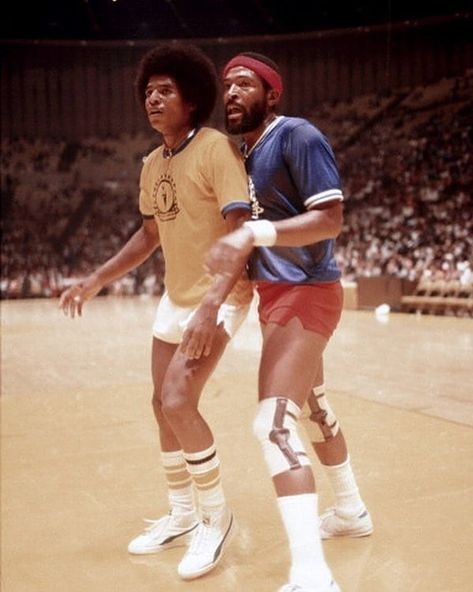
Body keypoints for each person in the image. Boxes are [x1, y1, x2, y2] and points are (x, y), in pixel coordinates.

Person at [59, 42, 254, 581]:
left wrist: (211, 307)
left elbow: (241, 235)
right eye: (148, 92)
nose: (152, 99)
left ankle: (217, 518)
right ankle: (184, 514)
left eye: (165, 90)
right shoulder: (152, 163)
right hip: (177, 296)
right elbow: (149, 235)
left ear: (191, 99)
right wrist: (96, 278)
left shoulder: (215, 149)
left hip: (221, 296)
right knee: (158, 403)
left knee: (178, 400)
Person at [205, 52, 373, 592]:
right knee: (316, 407)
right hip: (275, 296)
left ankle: (312, 575)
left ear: (271, 94)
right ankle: (350, 510)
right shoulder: (242, 153)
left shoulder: (296, 134)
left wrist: (256, 234)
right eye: (226, 85)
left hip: (307, 293)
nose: (231, 92)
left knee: (272, 425)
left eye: (244, 84)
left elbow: (330, 218)